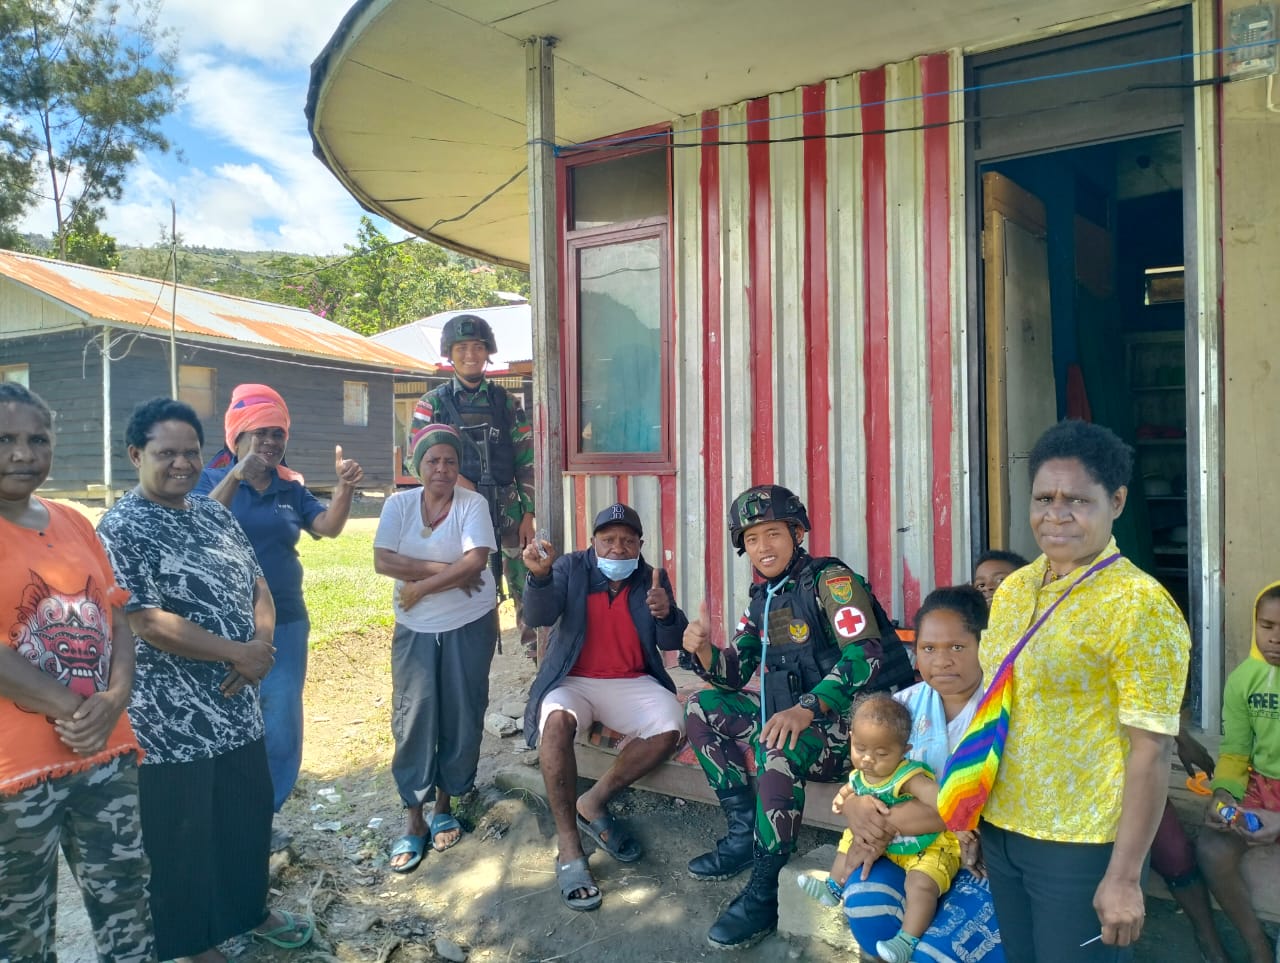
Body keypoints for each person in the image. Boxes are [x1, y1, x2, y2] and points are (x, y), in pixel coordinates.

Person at [97, 397, 312, 962]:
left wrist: (261, 647)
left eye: (191, 452)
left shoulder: (212, 511)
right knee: (180, 836)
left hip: (238, 711)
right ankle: (191, 944)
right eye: (166, 453)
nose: (183, 464)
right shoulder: (121, 527)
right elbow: (144, 621)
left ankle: (248, 910)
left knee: (242, 817)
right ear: (135, 455)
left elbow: (258, 584)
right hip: (170, 723)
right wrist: (239, 653)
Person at [968, 419, 1189, 963]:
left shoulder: (1139, 604)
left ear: (1115, 501)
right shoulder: (1016, 588)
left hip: (1079, 843)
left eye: (1078, 500)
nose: (1057, 514)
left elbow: (1152, 749)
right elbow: (996, 702)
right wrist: (970, 810)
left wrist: (1124, 876)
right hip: (1000, 824)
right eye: (1044, 497)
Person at [682, 484, 915, 950]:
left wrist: (807, 707)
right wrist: (705, 652)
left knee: (776, 748)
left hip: (860, 732)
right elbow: (735, 674)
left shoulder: (830, 581)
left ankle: (764, 891)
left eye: (772, 534)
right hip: (800, 719)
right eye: (751, 539)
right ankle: (740, 837)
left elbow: (865, 656)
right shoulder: (762, 599)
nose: (762, 547)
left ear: (797, 533)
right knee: (700, 707)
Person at [0, 383, 154, 963]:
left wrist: (115, 698)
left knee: (127, 908)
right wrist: (77, 708)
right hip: (17, 776)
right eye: (5, 440)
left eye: (37, 439)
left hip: (105, 758)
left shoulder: (74, 522)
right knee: (19, 932)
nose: (23, 453)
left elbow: (116, 617)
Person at [196, 383, 364, 843]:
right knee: (226, 722)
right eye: (260, 433)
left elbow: (327, 528)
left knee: (281, 725)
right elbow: (197, 529)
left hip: (286, 623)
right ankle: (222, 819)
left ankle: (261, 820)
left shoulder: (291, 487)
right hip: (220, 629)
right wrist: (236, 477)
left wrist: (345, 488)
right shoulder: (210, 480)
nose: (270, 443)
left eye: (277, 434)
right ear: (236, 436)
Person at [520, 503, 689, 911]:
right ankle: (569, 847)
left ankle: (593, 800)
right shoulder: (572, 569)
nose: (617, 549)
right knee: (555, 721)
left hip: (631, 681)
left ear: (639, 545)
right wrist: (539, 577)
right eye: (608, 540)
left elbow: (671, 641)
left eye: (627, 541)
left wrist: (668, 615)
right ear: (593, 542)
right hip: (574, 680)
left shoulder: (650, 577)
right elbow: (539, 616)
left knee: (671, 722)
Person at [839, 585, 1005, 963]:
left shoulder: (1004, 710)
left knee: (938, 955)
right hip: (909, 850)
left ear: (985, 644)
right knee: (867, 905)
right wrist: (856, 807)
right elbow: (867, 770)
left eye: (957, 648)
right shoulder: (902, 707)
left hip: (982, 859)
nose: (942, 661)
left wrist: (885, 820)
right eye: (929, 649)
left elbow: (980, 808)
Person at [374, 424, 499, 873]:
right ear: (417, 465)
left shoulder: (473, 504)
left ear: (458, 465)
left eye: (449, 460)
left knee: (462, 711)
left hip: (469, 624)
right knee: (414, 716)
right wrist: (447, 573)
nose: (441, 469)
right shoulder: (399, 505)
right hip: (415, 628)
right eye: (432, 461)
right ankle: (413, 818)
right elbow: (382, 560)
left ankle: (445, 804)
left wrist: (421, 585)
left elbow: (477, 561)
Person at [412, 313, 537, 658]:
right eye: (462, 347)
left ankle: (535, 655)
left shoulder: (507, 403)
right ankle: (460, 649)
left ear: (488, 353)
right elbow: (415, 456)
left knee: (526, 582)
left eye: (478, 347)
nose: (470, 354)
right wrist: (456, 480)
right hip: (456, 509)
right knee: (460, 580)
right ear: (450, 354)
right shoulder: (432, 404)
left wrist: (528, 514)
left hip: (507, 507)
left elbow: (527, 460)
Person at [833, 695, 961, 962]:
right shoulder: (903, 701)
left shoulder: (907, 774)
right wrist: (848, 805)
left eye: (881, 754)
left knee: (920, 886)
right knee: (848, 847)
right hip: (890, 848)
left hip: (927, 846)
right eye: (860, 748)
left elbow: (942, 802)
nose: (868, 759)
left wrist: (962, 815)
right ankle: (834, 884)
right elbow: (849, 790)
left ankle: (907, 939)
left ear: (905, 751)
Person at [1197, 581, 1280, 963]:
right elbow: (1234, 752)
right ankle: (1257, 947)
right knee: (1212, 848)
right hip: (1263, 787)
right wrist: (1223, 795)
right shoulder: (1244, 679)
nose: (1275, 638)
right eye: (1267, 626)